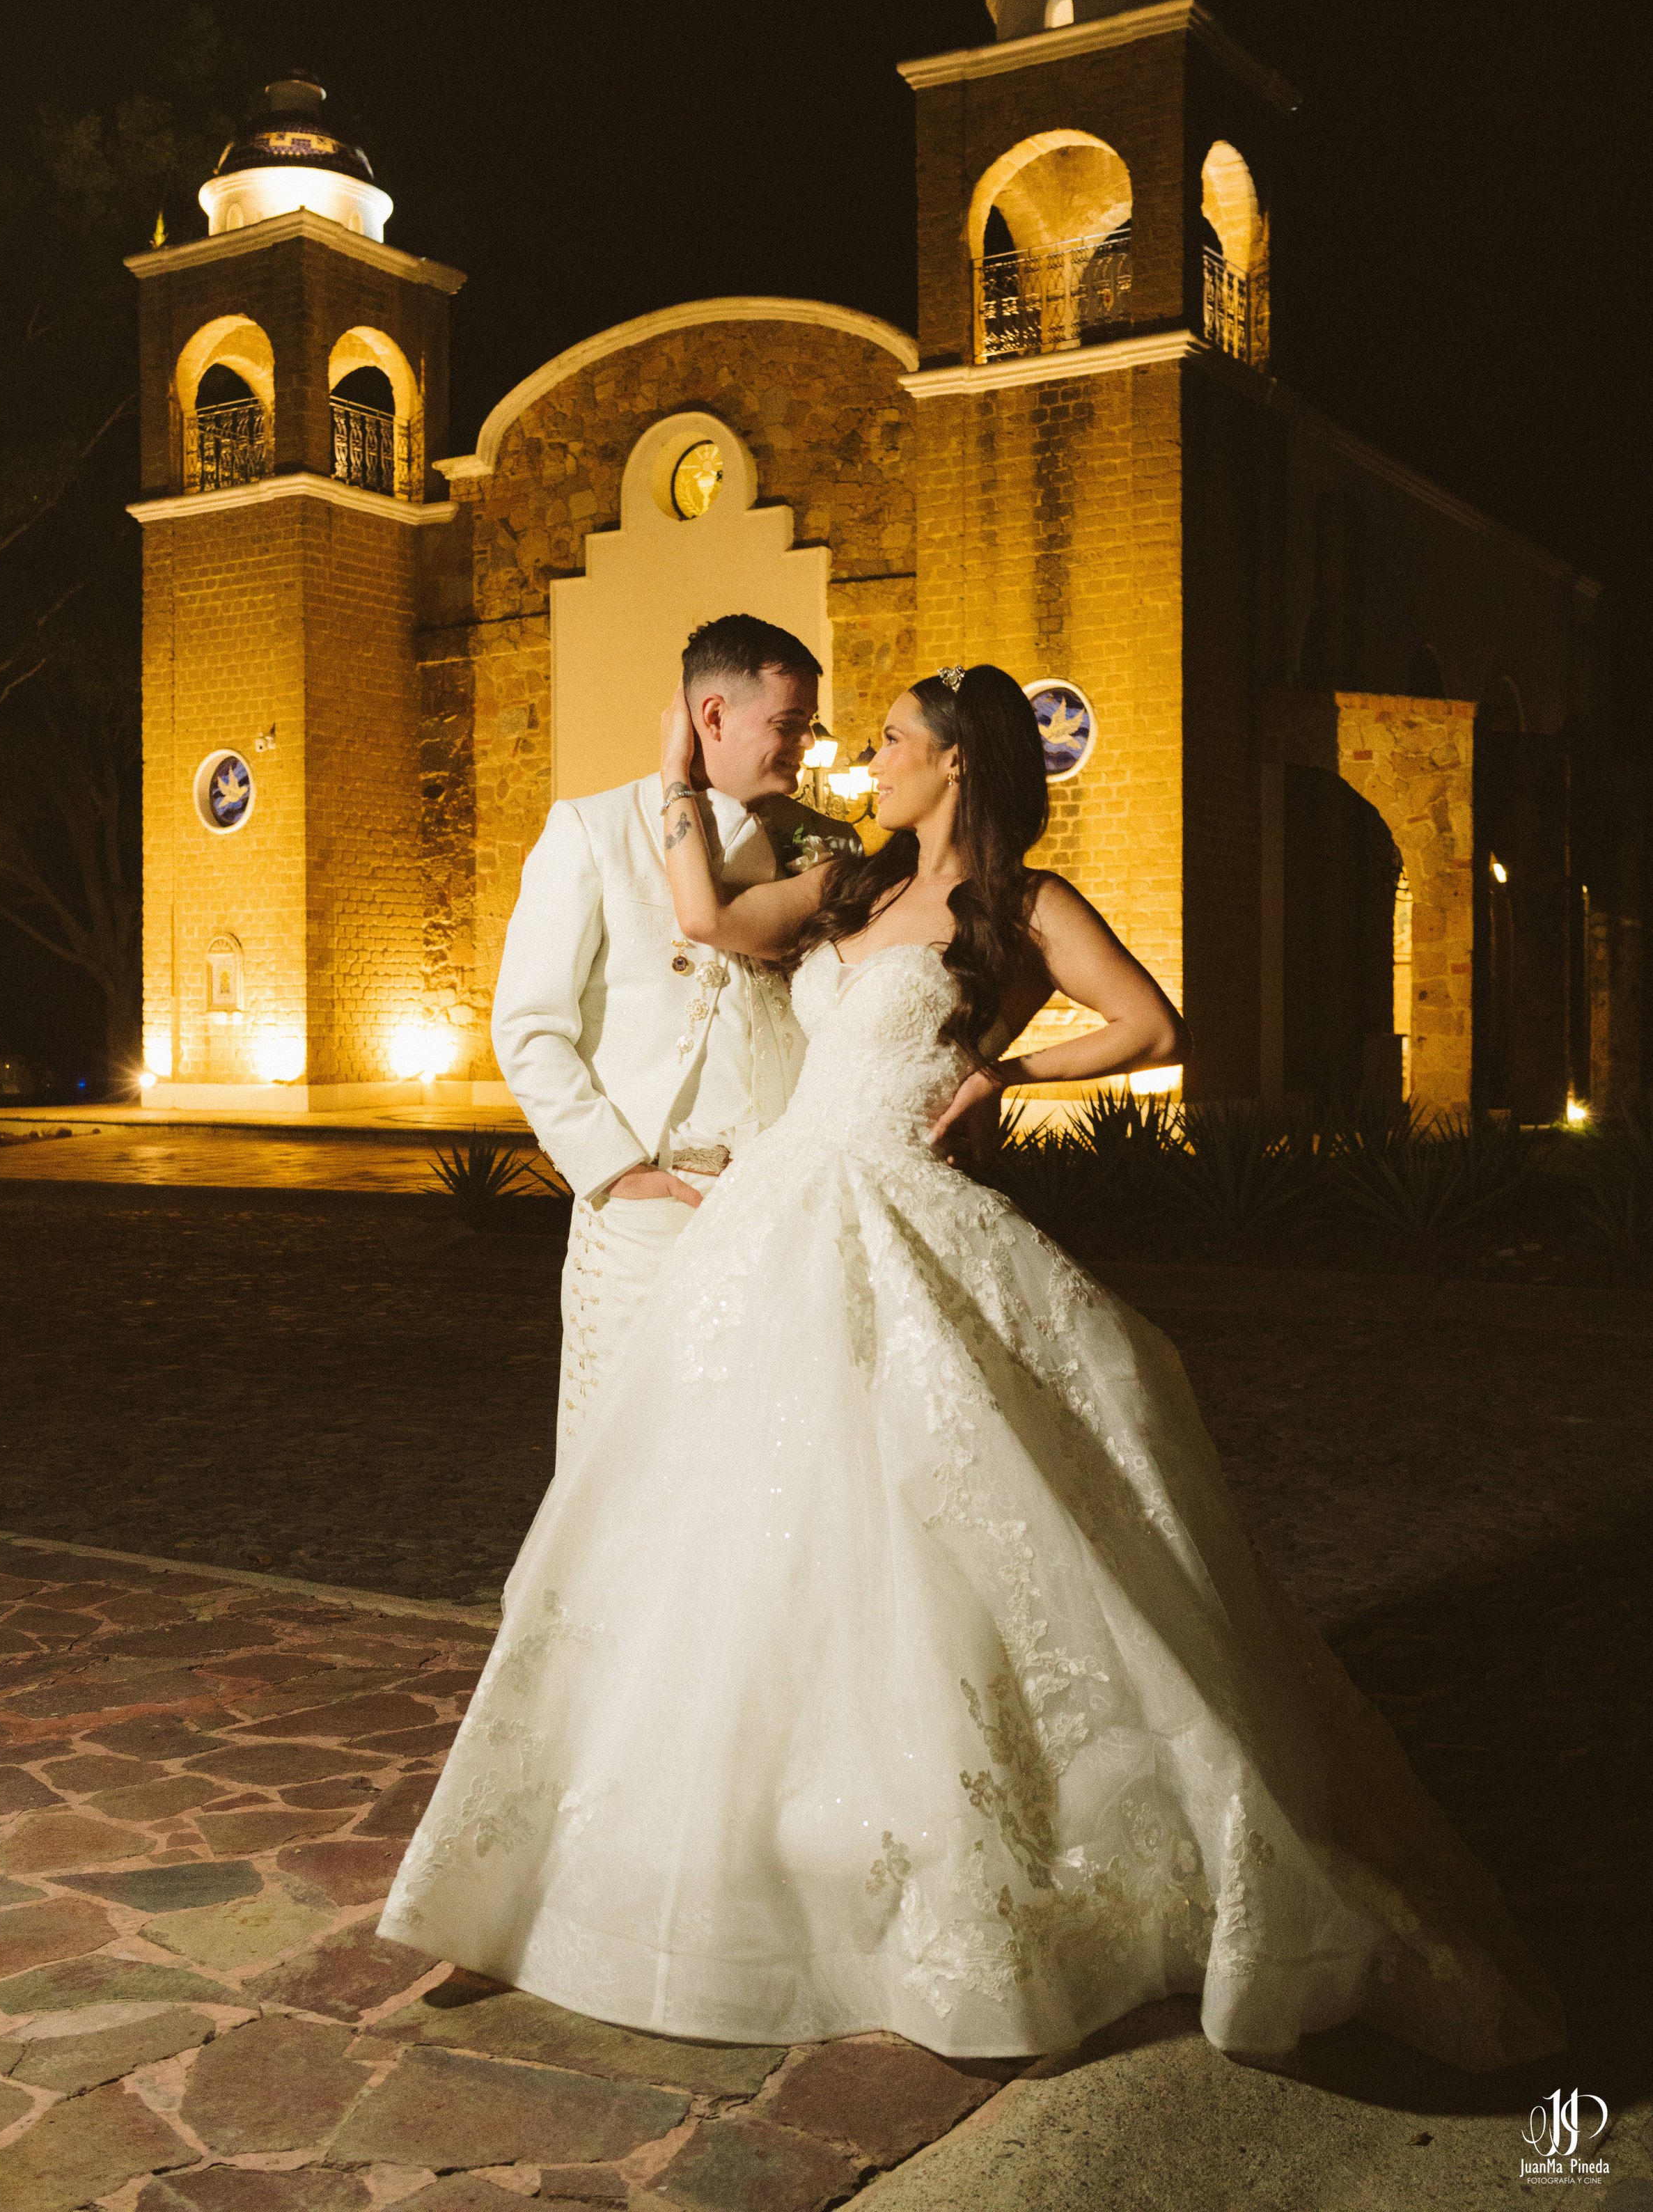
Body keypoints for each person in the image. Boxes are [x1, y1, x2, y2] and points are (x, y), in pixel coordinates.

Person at [383, 663, 1560, 2071]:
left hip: (898, 1207)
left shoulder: (1022, 907)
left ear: (954, 762)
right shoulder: (847, 885)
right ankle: (678, 1844)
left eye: (885, 742)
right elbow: (702, 919)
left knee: (938, 1518)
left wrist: (1006, 1077)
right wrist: (675, 768)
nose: (857, 757)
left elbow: (1152, 1028)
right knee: (726, 1525)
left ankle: (965, 1847)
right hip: (775, 1215)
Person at [490, 613, 854, 1461]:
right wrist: (617, 1173)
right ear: (715, 717)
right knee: (624, 1455)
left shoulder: (823, 846)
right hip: (648, 1207)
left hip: (782, 1203)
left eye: (808, 725)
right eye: (788, 725)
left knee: (765, 1458)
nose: (803, 746)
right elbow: (529, 1027)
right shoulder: (591, 829)